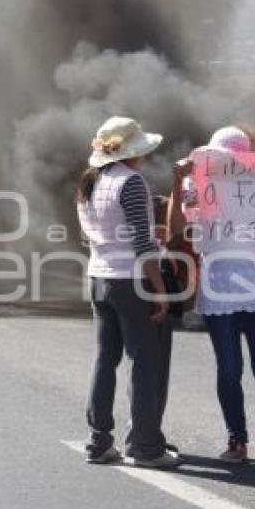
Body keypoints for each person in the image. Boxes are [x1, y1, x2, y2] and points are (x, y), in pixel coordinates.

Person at [168, 126, 255, 468]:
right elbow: (177, 229)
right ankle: (236, 439)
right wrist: (176, 183)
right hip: (218, 287)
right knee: (228, 368)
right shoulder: (197, 184)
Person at [77, 116, 179, 469]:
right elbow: (142, 243)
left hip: (98, 276)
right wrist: (161, 290)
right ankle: (145, 446)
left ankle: (98, 440)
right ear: (132, 152)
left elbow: (90, 236)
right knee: (143, 361)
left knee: (105, 359)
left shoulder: (90, 182)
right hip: (132, 280)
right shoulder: (131, 182)